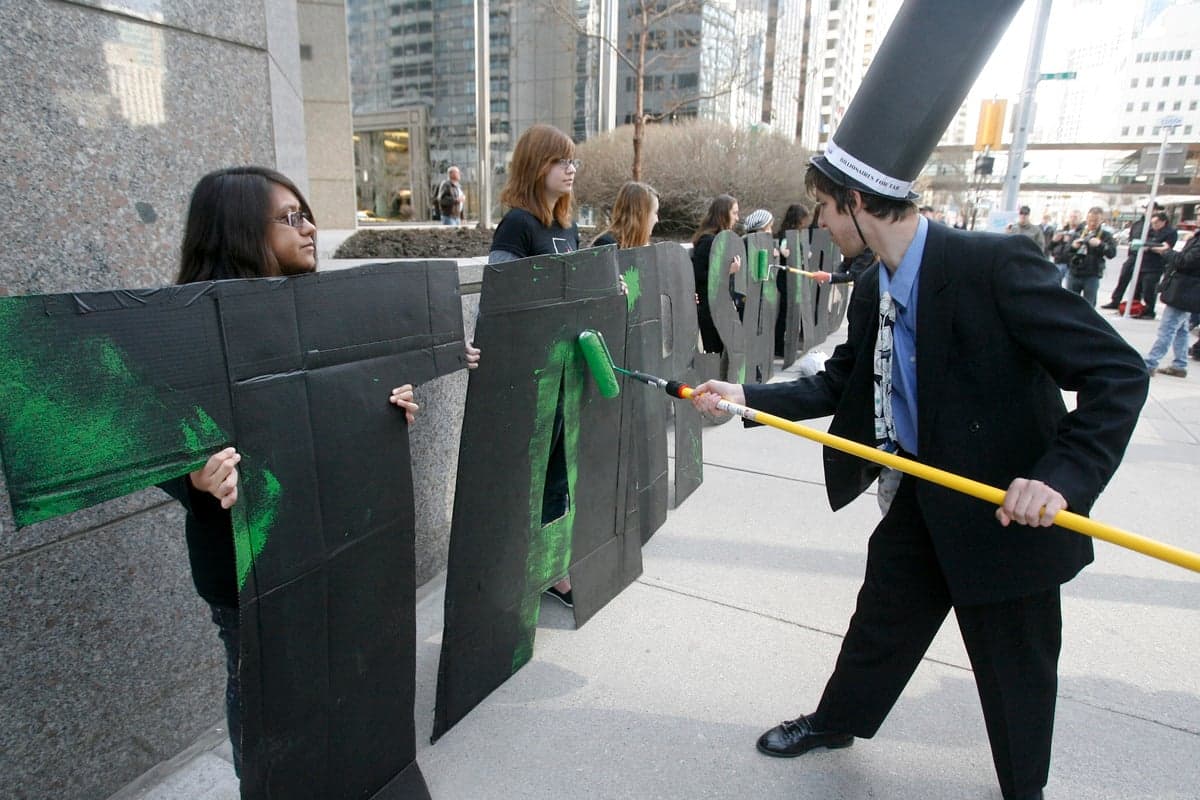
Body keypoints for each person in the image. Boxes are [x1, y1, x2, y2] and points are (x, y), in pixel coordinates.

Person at [692, 161, 1147, 800]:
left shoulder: (995, 265)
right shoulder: (875, 288)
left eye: (823, 207)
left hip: (1006, 510)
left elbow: (1118, 373)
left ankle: (1024, 788)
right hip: (919, 492)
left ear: (855, 202)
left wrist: (1059, 480)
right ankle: (838, 721)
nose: (819, 220)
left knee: (1016, 663)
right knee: (882, 619)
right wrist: (745, 396)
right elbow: (839, 383)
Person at [165, 166, 424, 778]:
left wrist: (385, 412)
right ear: (237, 231)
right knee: (262, 703)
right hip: (247, 564)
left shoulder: (320, 310)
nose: (310, 228)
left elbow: (331, 417)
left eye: (306, 213)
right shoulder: (185, 328)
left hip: (329, 543)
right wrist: (193, 477)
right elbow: (150, 439)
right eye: (290, 218)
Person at [488, 123, 581, 607]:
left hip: (569, 368)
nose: (570, 169)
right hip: (532, 373)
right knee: (540, 472)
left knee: (563, 469)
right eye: (559, 160)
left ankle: (555, 561)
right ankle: (545, 569)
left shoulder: (568, 226)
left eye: (572, 161)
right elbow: (501, 301)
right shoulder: (518, 225)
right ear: (535, 165)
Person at [691, 194, 742, 353]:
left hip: (721, 308)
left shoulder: (721, 239)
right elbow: (698, 275)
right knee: (716, 355)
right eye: (734, 213)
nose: (737, 218)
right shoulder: (707, 241)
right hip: (711, 311)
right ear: (723, 214)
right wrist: (727, 271)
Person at [1144, 232, 1200, 377]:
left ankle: (1151, 363)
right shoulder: (1196, 238)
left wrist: (1166, 252)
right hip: (1187, 291)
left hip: (1185, 290)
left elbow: (1185, 262)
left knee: (1167, 329)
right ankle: (1179, 364)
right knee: (1181, 329)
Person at [1101, 203, 1164, 310]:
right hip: (1134, 256)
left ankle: (1137, 305)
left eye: (1154, 210)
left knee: (1142, 285)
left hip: (1148, 258)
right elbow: (1131, 238)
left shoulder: (1157, 226)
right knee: (1124, 277)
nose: (1151, 212)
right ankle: (1115, 300)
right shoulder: (1138, 224)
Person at [774, 204, 811, 356]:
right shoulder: (786, 235)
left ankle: (787, 343)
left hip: (795, 277)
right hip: (786, 277)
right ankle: (780, 345)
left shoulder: (797, 234)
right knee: (785, 312)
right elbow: (785, 250)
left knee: (791, 311)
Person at [1128, 212, 1178, 320]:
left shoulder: (1170, 232)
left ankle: (1149, 311)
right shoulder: (1149, 230)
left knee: (1149, 289)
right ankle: (1136, 309)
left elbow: (1165, 247)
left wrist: (1150, 247)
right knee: (1137, 288)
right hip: (1142, 262)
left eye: (1156, 223)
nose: (1154, 225)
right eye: (1152, 223)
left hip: (1155, 265)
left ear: (1163, 222)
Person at [1064, 206, 1116, 306]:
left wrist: (1100, 245)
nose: (1092, 223)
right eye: (1090, 220)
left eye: (1096, 221)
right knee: (1069, 304)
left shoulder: (1106, 235)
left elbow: (1112, 253)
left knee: (1089, 306)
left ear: (1101, 220)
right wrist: (1073, 247)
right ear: (1086, 219)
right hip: (1074, 273)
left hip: (1092, 275)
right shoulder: (1078, 234)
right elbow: (1065, 254)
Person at [591, 181, 659, 248]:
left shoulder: (641, 245)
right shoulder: (606, 244)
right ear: (640, 214)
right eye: (655, 212)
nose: (657, 219)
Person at [1048, 209, 1081, 285]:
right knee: (1054, 285)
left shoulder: (1081, 232)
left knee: (1069, 287)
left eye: (1075, 217)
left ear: (1080, 219)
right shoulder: (1061, 230)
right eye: (1071, 217)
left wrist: (1068, 242)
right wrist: (1054, 241)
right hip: (1059, 261)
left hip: (1072, 264)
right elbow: (1050, 247)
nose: (1073, 219)